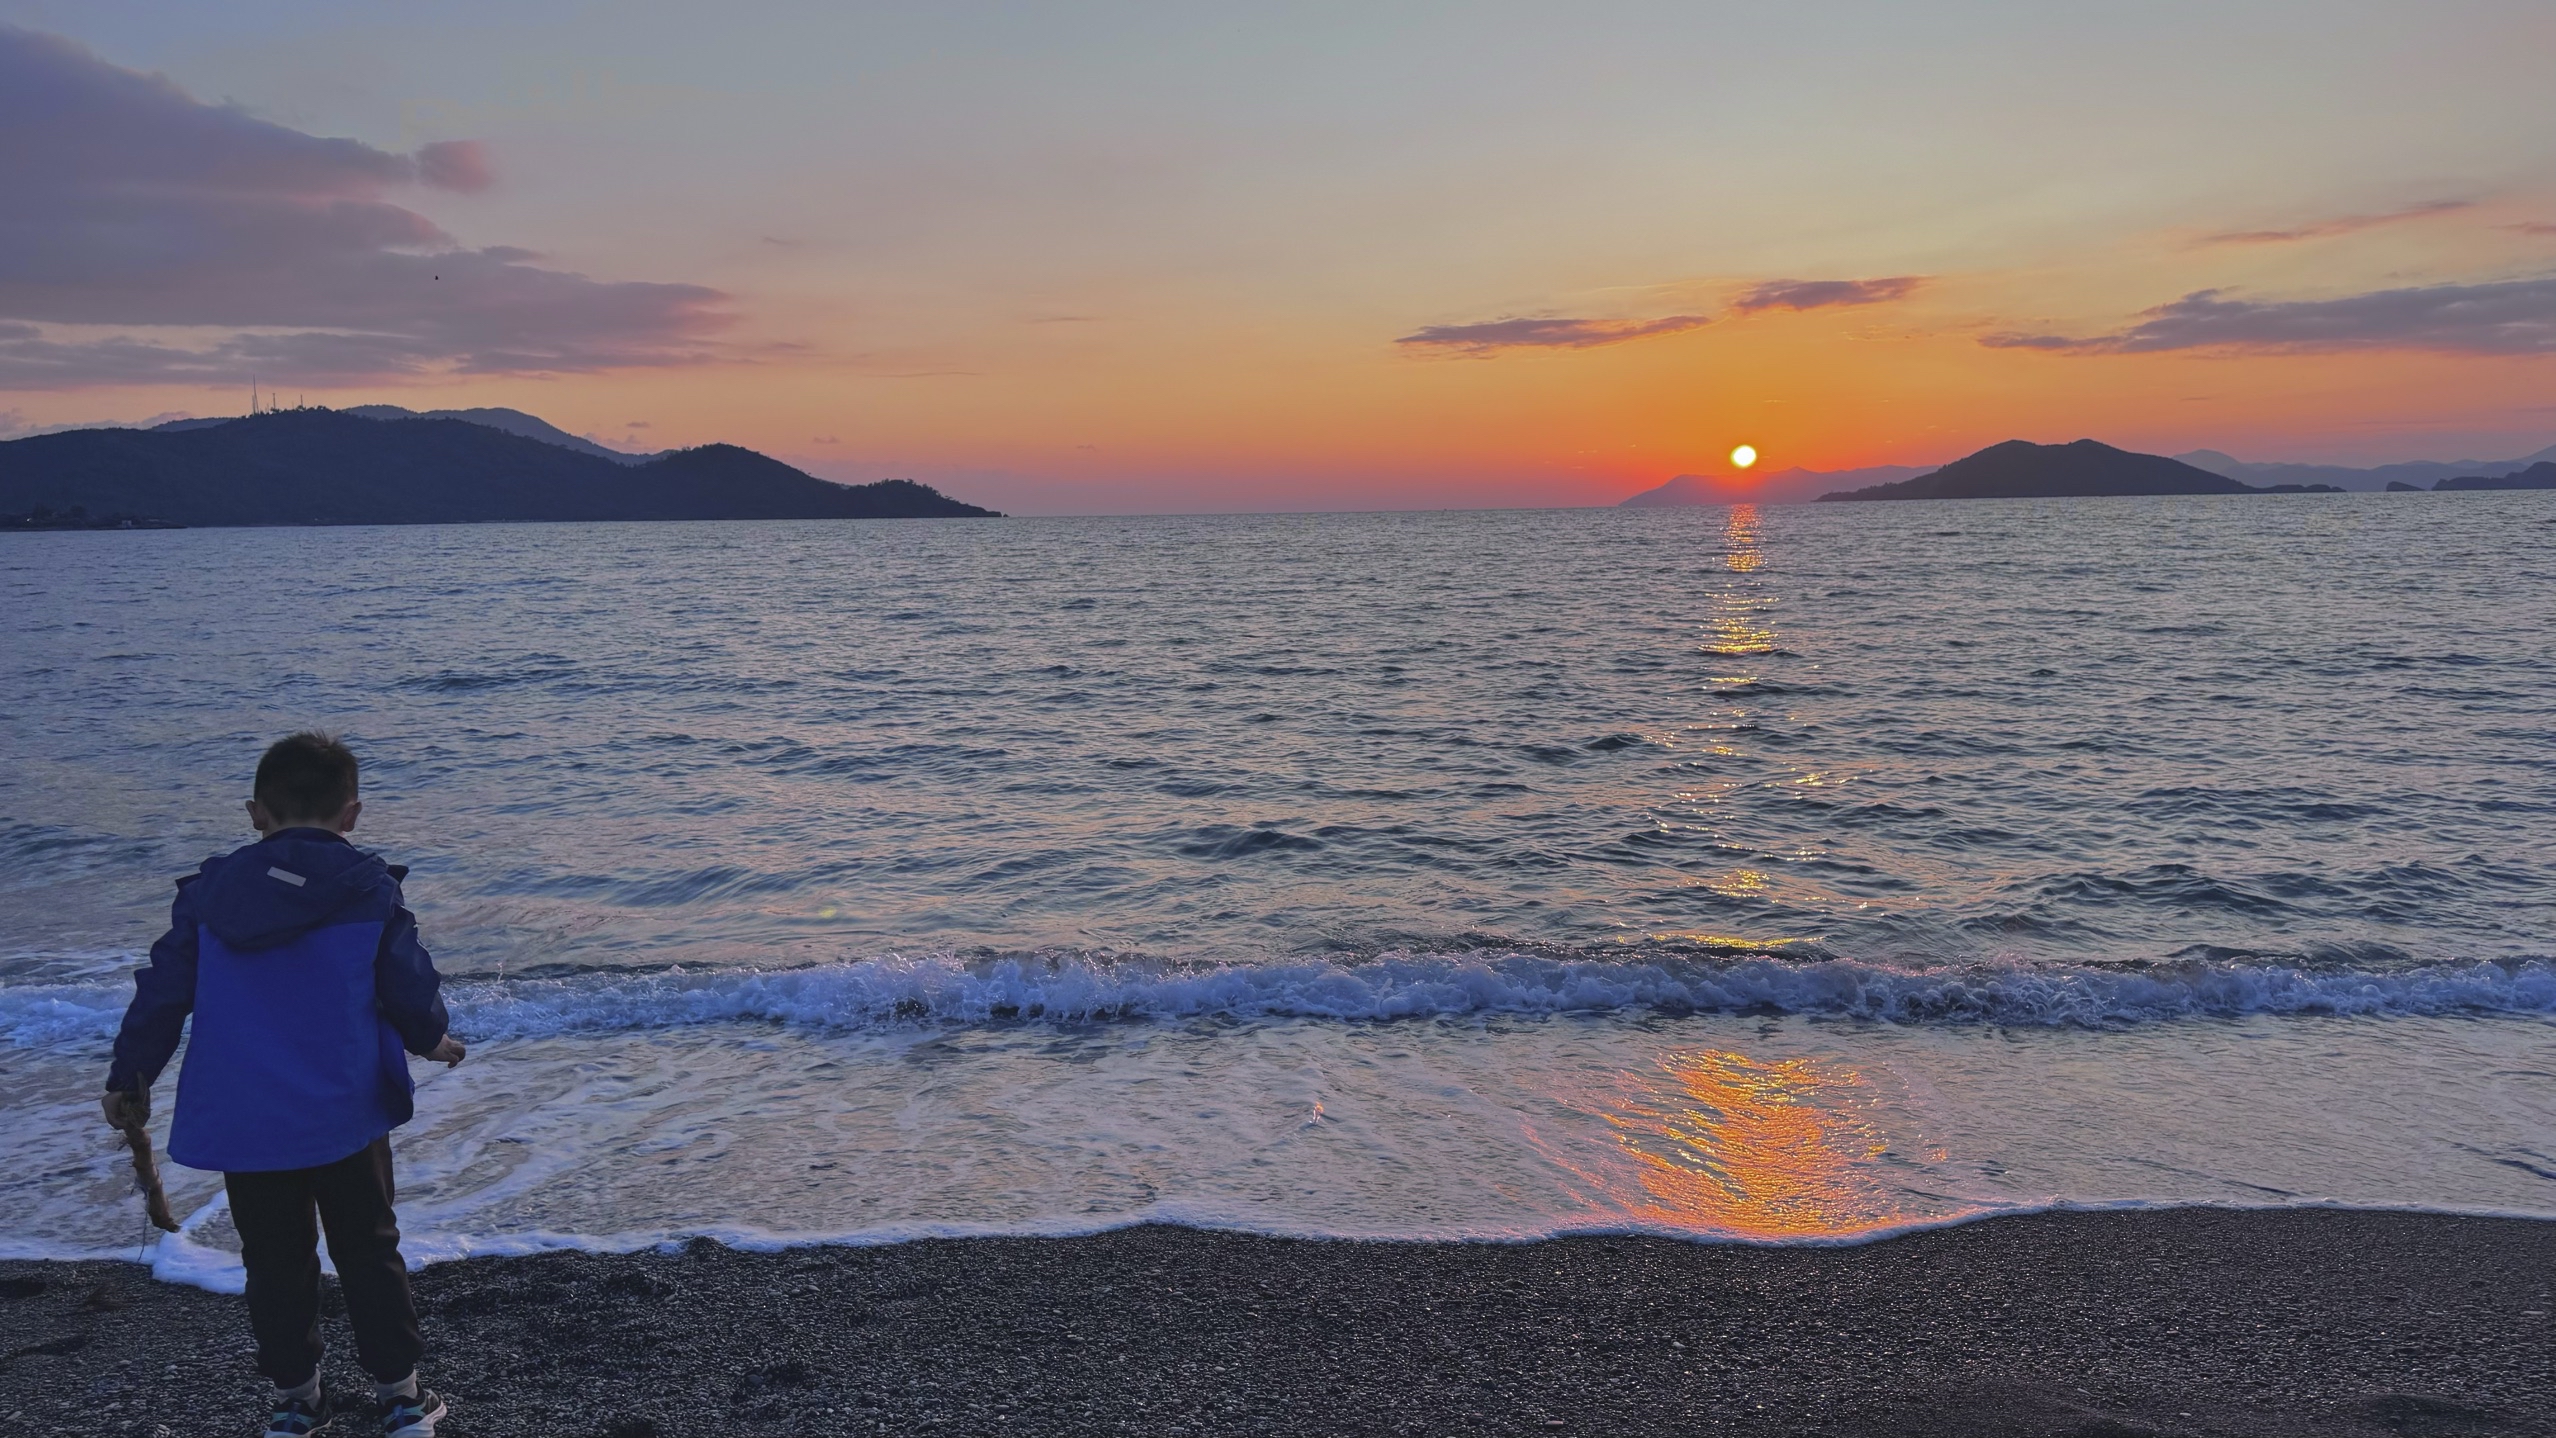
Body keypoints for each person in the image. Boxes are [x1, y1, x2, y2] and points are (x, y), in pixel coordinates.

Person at [103, 732, 465, 1438]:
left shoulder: (210, 896)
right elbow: (408, 985)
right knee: (368, 1248)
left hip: (249, 1118)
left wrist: (130, 1077)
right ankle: (400, 1397)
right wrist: (432, 1039)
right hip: (346, 1111)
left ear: (256, 813)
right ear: (352, 814)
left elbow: (162, 996)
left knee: (273, 1259)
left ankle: (297, 1402)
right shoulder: (368, 888)